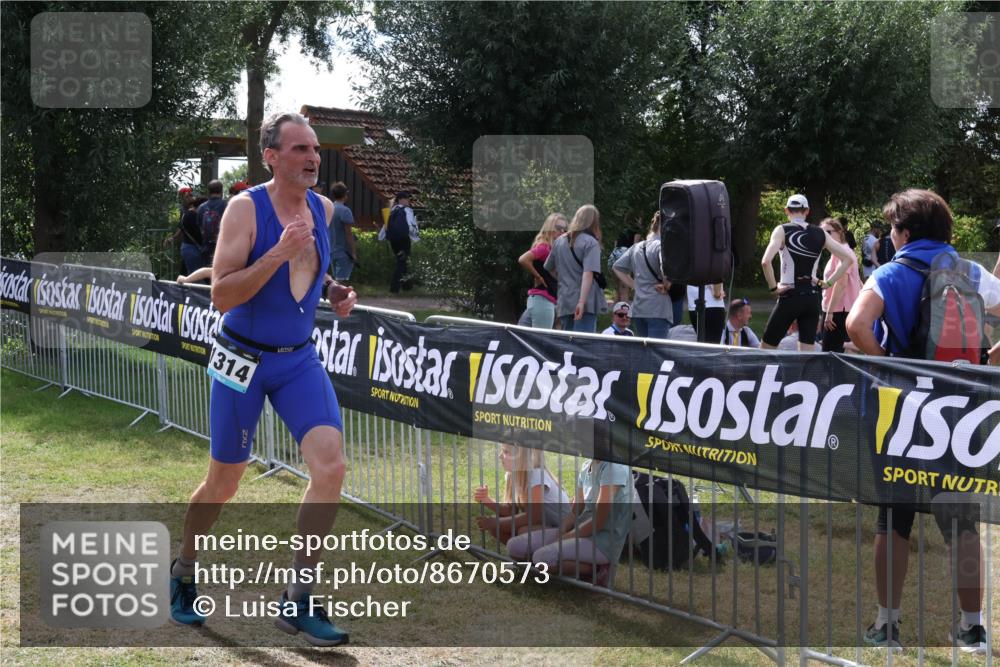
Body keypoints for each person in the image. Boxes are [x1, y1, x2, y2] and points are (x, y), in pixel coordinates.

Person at [169, 112, 357, 647]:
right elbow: (221, 294)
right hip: (242, 359)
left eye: (315, 148)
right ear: (271, 157)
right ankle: (183, 570)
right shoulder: (245, 209)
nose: (313, 157)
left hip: (297, 359)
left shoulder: (322, 208)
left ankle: (299, 597)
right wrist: (278, 252)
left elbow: (314, 268)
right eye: (299, 149)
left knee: (331, 467)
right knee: (224, 481)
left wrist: (333, 291)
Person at [846, 189, 1000, 653]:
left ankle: (886, 626)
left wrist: (888, 365)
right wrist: (987, 361)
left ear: (904, 232)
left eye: (892, 229)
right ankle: (972, 628)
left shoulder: (890, 273)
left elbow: (856, 324)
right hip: (959, 412)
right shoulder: (971, 272)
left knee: (893, 518)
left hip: (901, 413)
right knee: (962, 521)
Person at [517, 458, 638, 587]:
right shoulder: (586, 465)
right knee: (516, 547)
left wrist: (566, 537)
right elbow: (575, 510)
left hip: (603, 541)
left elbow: (599, 522)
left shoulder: (616, 468)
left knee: (542, 557)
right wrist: (562, 531)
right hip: (581, 532)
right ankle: (576, 566)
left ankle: (598, 570)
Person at [760, 194, 857, 351]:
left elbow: (765, 262)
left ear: (786, 210)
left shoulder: (781, 230)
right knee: (806, 355)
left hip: (789, 296)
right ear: (807, 211)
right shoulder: (820, 233)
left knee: (765, 349)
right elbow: (848, 259)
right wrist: (828, 283)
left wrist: (773, 288)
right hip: (811, 299)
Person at [473, 443, 571, 548]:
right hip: (545, 525)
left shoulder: (537, 475)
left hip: (564, 528)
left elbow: (534, 517)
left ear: (521, 457)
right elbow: (511, 511)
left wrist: (496, 522)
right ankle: (523, 555)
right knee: (496, 527)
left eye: (506, 452)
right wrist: (486, 500)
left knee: (523, 531)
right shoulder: (511, 475)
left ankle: (536, 556)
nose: (500, 456)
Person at [544, 204, 607, 333]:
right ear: (594, 221)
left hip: (565, 300)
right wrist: (581, 302)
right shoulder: (591, 242)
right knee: (583, 342)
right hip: (585, 302)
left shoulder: (559, 241)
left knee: (568, 342)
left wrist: (563, 278)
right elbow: (588, 273)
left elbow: (548, 267)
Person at [613, 212, 672, 338]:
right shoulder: (662, 246)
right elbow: (665, 269)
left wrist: (635, 285)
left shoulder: (636, 247)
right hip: (657, 308)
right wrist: (667, 285)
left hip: (639, 308)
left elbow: (617, 267)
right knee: (656, 349)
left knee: (642, 349)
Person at [517, 213, 567, 328]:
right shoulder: (545, 247)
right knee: (540, 337)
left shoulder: (552, 249)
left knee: (521, 335)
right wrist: (538, 276)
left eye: (564, 229)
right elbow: (523, 259)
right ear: (549, 227)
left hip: (539, 300)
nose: (562, 232)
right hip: (543, 301)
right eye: (558, 228)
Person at [819, 217, 861, 353]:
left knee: (829, 354)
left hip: (838, 311)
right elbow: (857, 281)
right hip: (839, 310)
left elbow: (841, 285)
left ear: (840, 233)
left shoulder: (843, 253)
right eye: (821, 233)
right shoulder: (841, 252)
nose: (824, 236)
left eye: (828, 232)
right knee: (837, 353)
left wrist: (830, 313)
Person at [164, 194, 207, 276]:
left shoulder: (187, 214)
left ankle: (181, 283)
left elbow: (181, 229)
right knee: (194, 275)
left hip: (188, 247)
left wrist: (172, 238)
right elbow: (196, 234)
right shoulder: (192, 215)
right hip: (192, 248)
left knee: (185, 273)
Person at [385, 191, 418, 293]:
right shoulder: (407, 210)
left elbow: (385, 227)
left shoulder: (391, 210)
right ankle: (394, 288)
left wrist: (384, 237)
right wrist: (416, 237)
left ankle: (407, 286)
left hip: (394, 241)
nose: (409, 200)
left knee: (403, 262)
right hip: (404, 240)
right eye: (407, 198)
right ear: (400, 199)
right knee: (402, 263)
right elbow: (411, 226)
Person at [328, 182, 358, 281]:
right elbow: (348, 233)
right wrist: (353, 252)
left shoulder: (329, 209)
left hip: (331, 250)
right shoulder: (345, 211)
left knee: (334, 280)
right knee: (341, 281)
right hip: (343, 252)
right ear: (345, 195)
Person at [197, 179, 228, 265]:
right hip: (223, 247)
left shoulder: (201, 207)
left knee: (208, 271)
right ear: (221, 191)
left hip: (206, 247)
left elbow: (200, 226)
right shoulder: (227, 205)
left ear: (209, 192)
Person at [607, 227, 639, 303]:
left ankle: (616, 308)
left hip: (614, 255)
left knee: (618, 289)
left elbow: (615, 245)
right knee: (624, 288)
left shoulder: (620, 228)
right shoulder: (636, 228)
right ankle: (625, 307)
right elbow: (635, 246)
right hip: (625, 254)